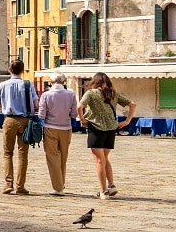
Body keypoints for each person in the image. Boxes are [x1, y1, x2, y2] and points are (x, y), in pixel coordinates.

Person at [77, 72, 136, 200]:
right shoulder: (113, 94)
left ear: (94, 81)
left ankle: (103, 191)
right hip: (111, 129)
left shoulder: (91, 93)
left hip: (96, 128)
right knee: (104, 158)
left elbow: (80, 106)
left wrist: (83, 120)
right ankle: (111, 185)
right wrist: (127, 121)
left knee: (99, 160)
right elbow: (132, 104)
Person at [0, 59, 38, 195]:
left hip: (10, 120)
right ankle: (20, 186)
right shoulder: (28, 85)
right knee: (23, 155)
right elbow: (36, 105)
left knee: (8, 153)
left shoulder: (3, 85)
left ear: (9, 70)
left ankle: (8, 184)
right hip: (25, 121)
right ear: (23, 70)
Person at [38, 74, 78, 196]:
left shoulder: (46, 95)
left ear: (51, 81)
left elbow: (41, 115)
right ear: (63, 81)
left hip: (50, 128)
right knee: (63, 157)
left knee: (52, 157)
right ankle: (61, 183)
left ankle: (58, 187)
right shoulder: (71, 95)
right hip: (66, 128)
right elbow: (74, 114)